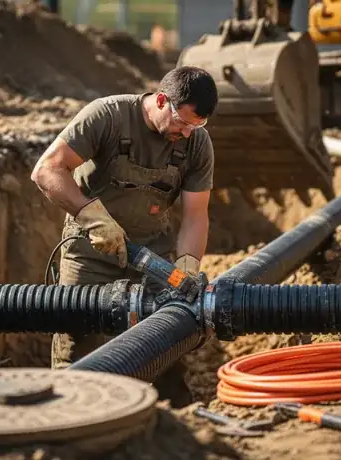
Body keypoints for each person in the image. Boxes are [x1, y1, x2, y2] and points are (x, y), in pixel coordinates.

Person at [30, 66, 218, 405]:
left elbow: (195, 215)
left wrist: (187, 268)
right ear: (162, 100)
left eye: (197, 126)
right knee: (78, 343)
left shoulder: (196, 144)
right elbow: (47, 169)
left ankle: (173, 428)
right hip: (91, 251)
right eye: (183, 122)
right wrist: (92, 217)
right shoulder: (109, 116)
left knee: (165, 342)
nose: (188, 133)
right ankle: (67, 420)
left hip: (153, 255)